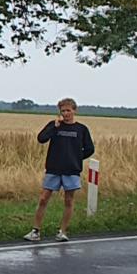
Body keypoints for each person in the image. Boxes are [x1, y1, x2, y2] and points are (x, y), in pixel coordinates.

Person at [25, 98, 94, 242]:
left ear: (74, 111)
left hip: (71, 170)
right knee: (43, 198)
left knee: (69, 200)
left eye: (68, 110)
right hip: (53, 169)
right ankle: (35, 231)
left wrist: (75, 158)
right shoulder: (54, 125)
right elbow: (41, 139)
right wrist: (53, 128)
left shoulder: (81, 129)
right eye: (63, 111)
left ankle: (62, 231)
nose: (66, 113)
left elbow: (89, 149)